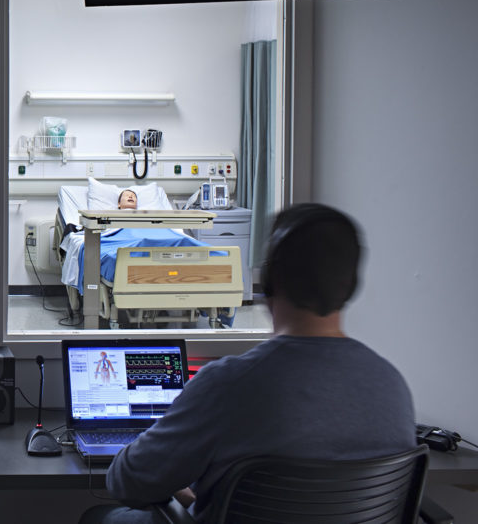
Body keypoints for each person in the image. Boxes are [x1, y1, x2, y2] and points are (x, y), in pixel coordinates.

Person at [78, 204, 415, 524]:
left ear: (268, 282)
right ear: (351, 286)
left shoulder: (229, 385)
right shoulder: (392, 385)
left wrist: (183, 486)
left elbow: (127, 484)